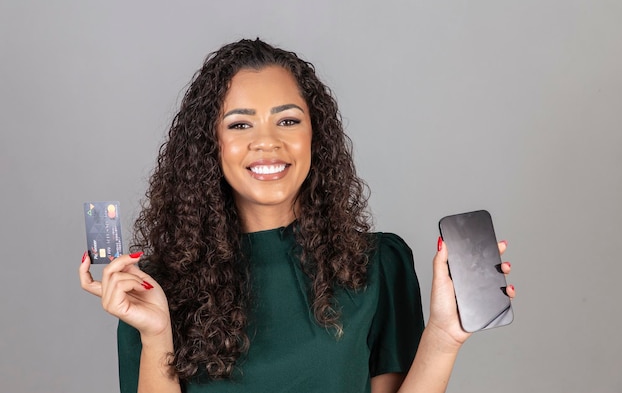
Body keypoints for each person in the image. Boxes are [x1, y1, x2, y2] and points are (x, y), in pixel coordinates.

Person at [79, 38, 515, 393]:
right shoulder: (152, 290)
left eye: (287, 121)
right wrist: (156, 333)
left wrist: (443, 335)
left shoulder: (378, 264)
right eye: (240, 124)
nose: (267, 142)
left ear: (315, 135)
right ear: (210, 146)